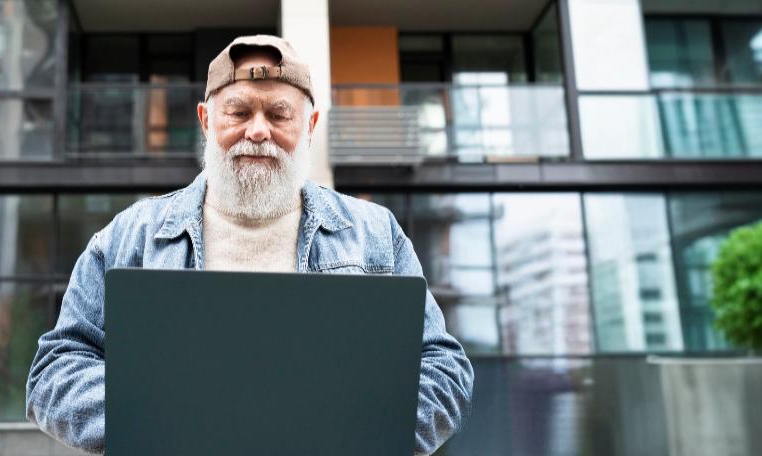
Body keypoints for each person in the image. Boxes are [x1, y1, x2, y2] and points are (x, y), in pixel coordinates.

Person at [25, 34, 473, 455]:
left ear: (310, 125)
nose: (258, 131)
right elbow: (54, 373)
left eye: (279, 114)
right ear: (206, 120)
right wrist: (168, 422)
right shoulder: (128, 236)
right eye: (238, 112)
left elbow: (445, 371)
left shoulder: (377, 233)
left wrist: (347, 429)